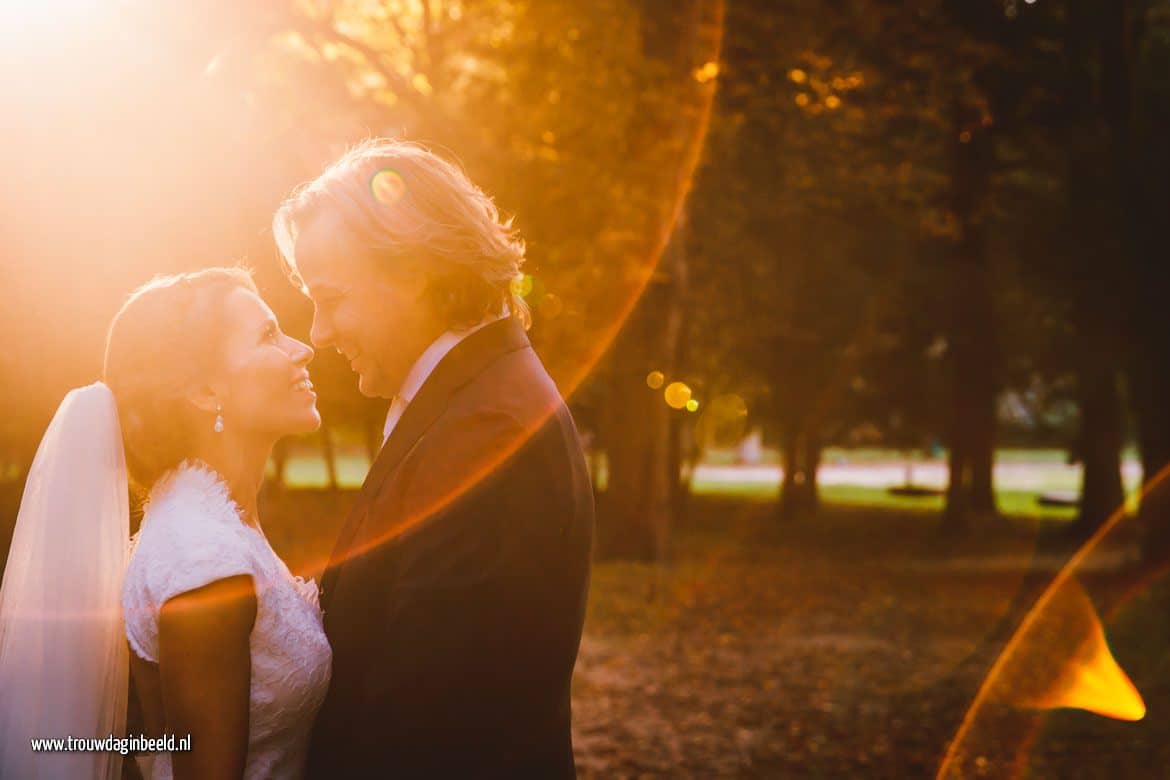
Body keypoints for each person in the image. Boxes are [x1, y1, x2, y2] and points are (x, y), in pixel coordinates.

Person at [273, 138, 594, 778]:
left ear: (414, 272)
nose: (318, 333)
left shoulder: (488, 436)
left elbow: (424, 731)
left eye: (332, 298)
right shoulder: (468, 402)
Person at [0, 267, 333, 779]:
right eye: (269, 335)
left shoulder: (216, 525)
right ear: (204, 391)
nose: (302, 348)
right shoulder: (203, 557)